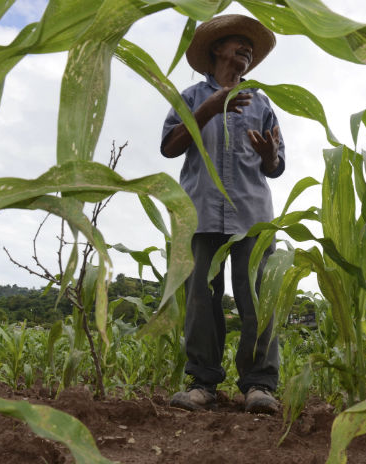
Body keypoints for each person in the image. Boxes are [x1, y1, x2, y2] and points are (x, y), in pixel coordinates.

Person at [160, 14, 285, 414]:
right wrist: (211, 108)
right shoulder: (191, 97)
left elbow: (276, 165)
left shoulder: (262, 103)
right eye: (238, 43)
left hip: (253, 216)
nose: (246, 50)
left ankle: (259, 386)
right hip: (199, 213)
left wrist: (270, 157)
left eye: (250, 47)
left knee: (257, 298)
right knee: (200, 299)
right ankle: (203, 384)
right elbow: (169, 146)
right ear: (216, 50)